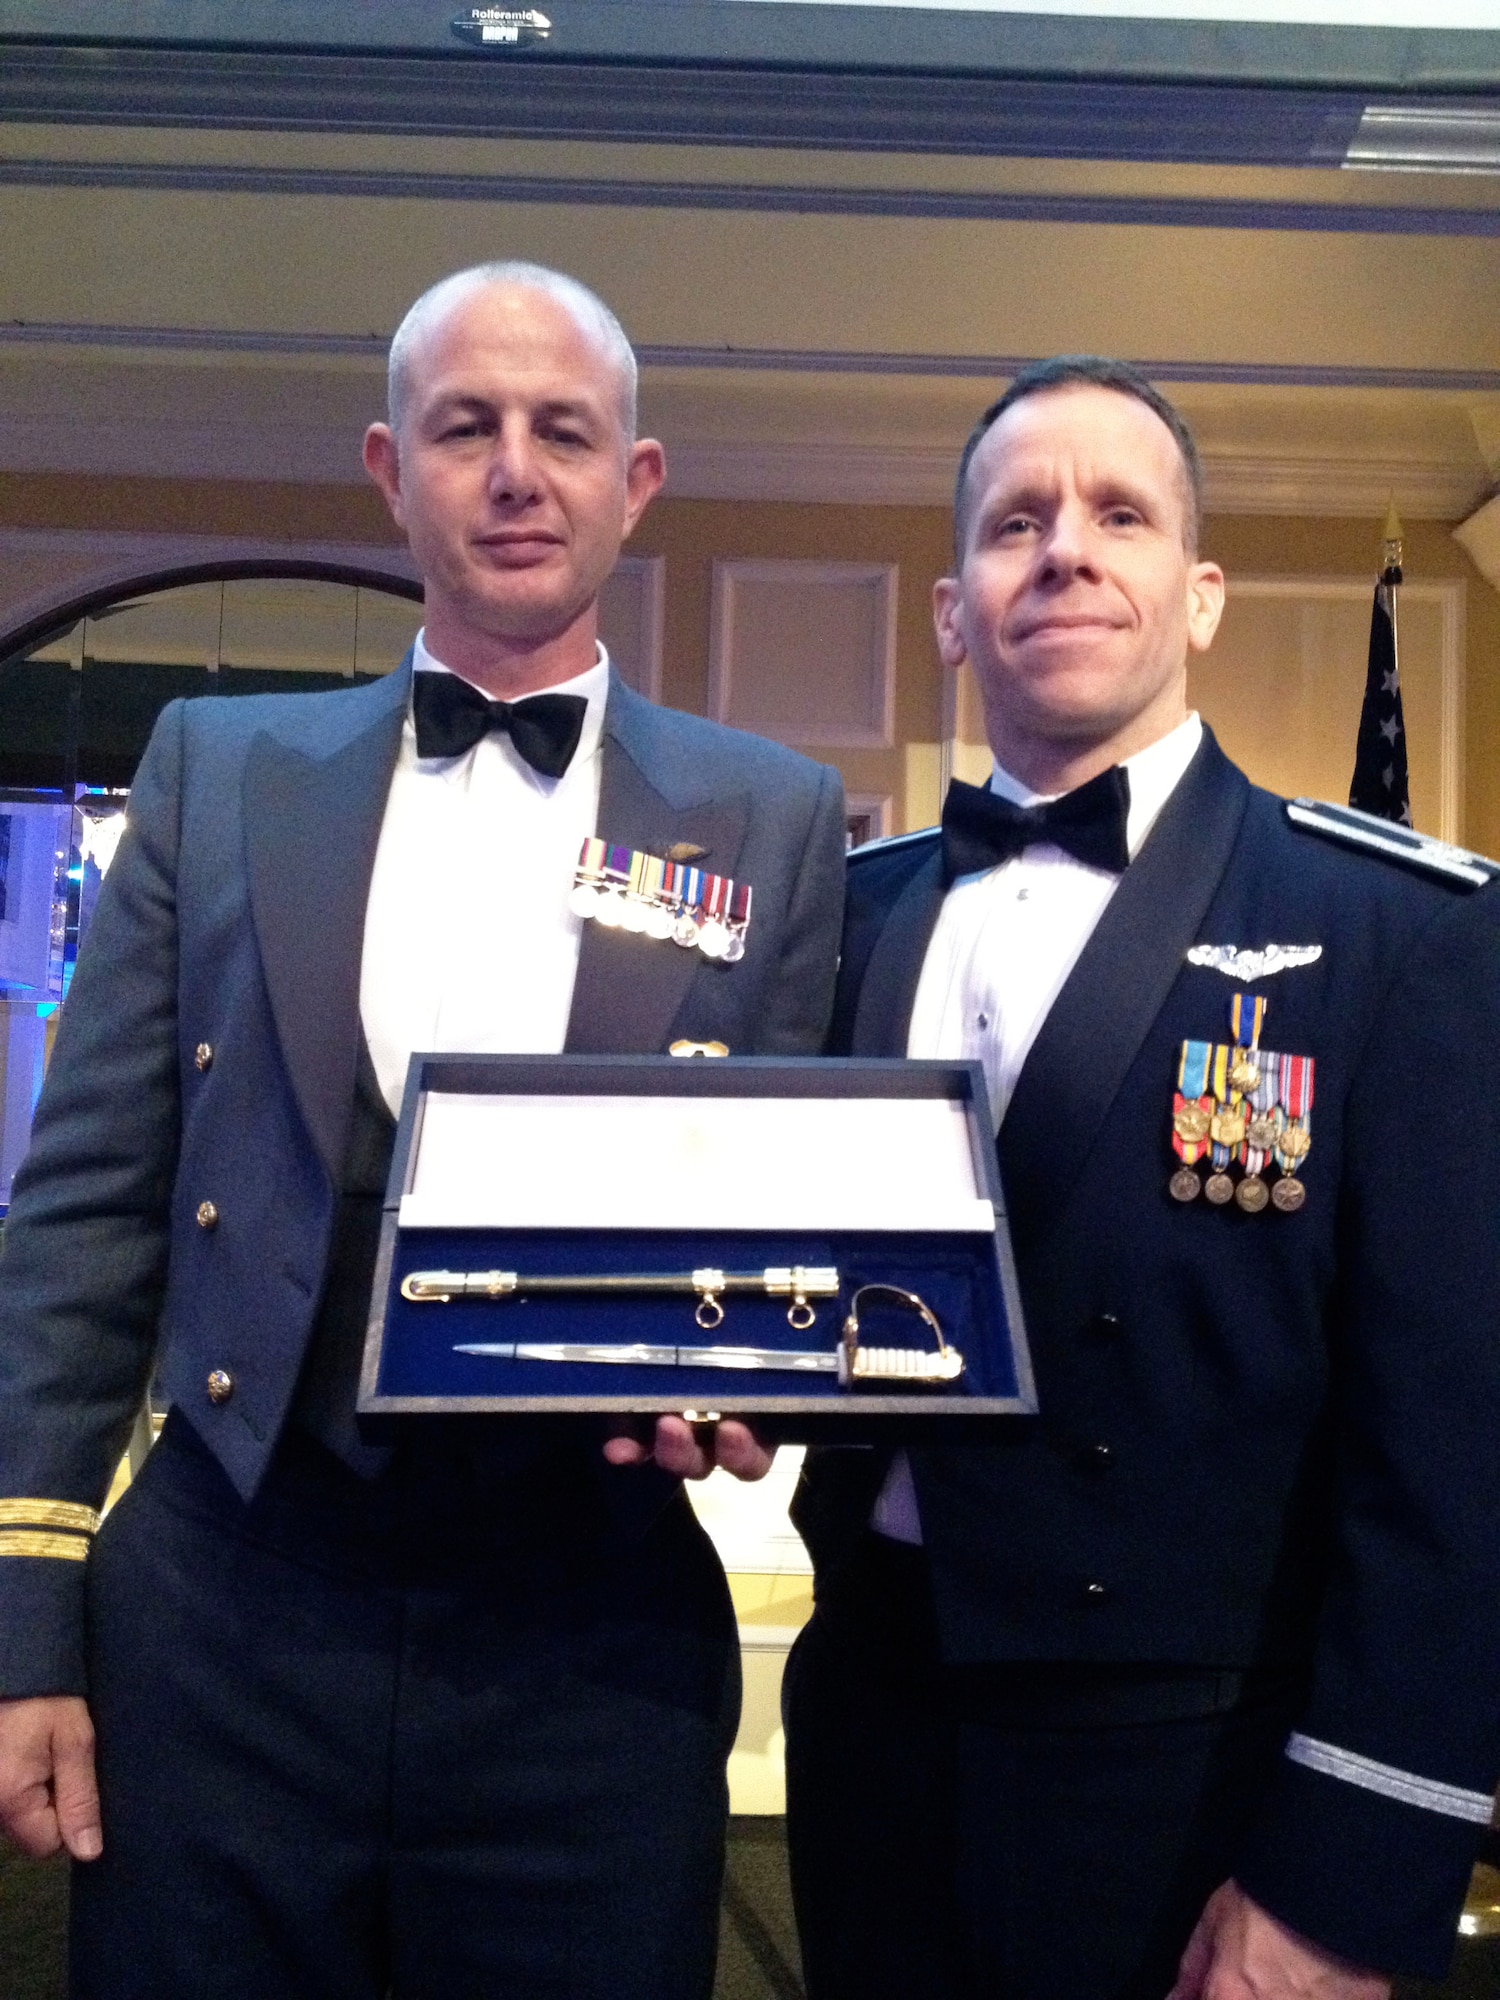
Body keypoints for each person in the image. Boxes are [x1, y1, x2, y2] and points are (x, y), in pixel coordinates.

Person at [0, 260, 845, 1999]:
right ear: (391, 468)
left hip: (588, 1649)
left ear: (638, 478)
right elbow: (82, 1218)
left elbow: (785, 1218)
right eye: (466, 428)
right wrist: (24, 1624)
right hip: (227, 1610)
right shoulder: (216, 769)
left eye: (563, 432)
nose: (515, 471)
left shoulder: (774, 813)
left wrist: (752, 1379)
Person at [784, 356, 1500, 2000]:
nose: (1066, 549)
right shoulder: (847, 916)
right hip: (876, 1720)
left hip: (1195, 1765)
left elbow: (1458, 1466)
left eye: (1122, 514)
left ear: (1203, 595)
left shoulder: (1404, 933)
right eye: (1015, 523)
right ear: (955, 611)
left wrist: (1348, 1874)